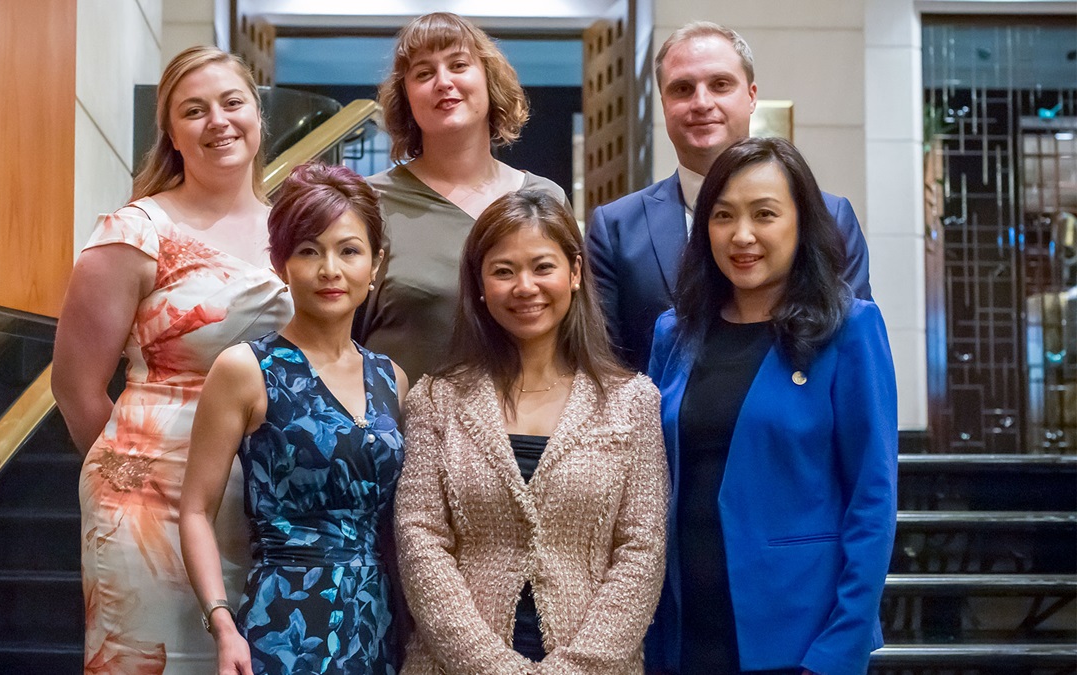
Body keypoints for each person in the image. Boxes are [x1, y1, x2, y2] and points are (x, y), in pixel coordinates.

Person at [52, 46, 294, 673]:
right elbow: (76, 387)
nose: (218, 121)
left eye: (232, 102)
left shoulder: (297, 232)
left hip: (274, 504)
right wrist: (132, 471)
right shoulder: (135, 231)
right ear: (172, 133)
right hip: (149, 501)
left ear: (258, 114)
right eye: (194, 110)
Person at [647, 137, 897, 674]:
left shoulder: (851, 329)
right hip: (685, 633)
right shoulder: (674, 333)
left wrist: (840, 649)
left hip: (800, 638)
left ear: (801, 223)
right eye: (723, 216)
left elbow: (872, 500)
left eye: (764, 214)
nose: (742, 235)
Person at [396, 190, 668, 674]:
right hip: (453, 665)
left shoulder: (633, 400)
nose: (525, 287)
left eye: (543, 267)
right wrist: (493, 667)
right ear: (479, 284)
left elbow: (641, 550)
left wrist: (574, 669)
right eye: (503, 271)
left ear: (575, 272)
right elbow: (420, 541)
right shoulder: (436, 399)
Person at [180, 163, 407, 675]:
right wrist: (222, 625)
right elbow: (195, 510)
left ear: (375, 264)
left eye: (349, 251)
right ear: (280, 264)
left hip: (376, 626)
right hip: (282, 626)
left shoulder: (392, 378)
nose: (330, 269)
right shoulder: (245, 369)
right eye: (308, 250)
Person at [586, 21, 872, 372]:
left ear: (751, 96)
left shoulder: (830, 216)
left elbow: (855, 355)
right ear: (663, 103)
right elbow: (604, 365)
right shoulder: (616, 228)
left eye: (720, 85)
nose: (701, 103)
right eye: (682, 89)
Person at [358, 12, 568, 385]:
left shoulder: (545, 197)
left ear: (489, 80)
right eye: (424, 73)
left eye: (458, 65)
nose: (444, 82)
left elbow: (572, 332)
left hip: (531, 418)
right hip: (400, 419)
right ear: (406, 97)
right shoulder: (368, 203)